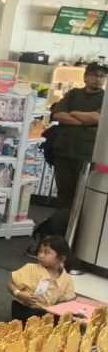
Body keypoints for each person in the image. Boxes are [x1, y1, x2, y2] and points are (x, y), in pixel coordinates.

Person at [50, 61, 105, 230]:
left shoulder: (105, 98)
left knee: (82, 194)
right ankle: (59, 230)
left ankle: (78, 232)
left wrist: (74, 113)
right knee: (64, 193)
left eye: (102, 76)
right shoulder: (73, 94)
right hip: (64, 151)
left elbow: (97, 118)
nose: (98, 79)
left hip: (86, 156)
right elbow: (58, 114)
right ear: (85, 76)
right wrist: (84, 121)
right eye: (94, 75)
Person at [8, 235, 76, 321]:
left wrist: (57, 310)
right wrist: (19, 294)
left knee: (67, 317)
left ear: (61, 258)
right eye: (40, 251)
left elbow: (63, 301)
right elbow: (11, 283)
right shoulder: (31, 268)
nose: (40, 255)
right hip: (25, 308)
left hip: (47, 312)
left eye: (46, 253)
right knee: (38, 316)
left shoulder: (66, 279)